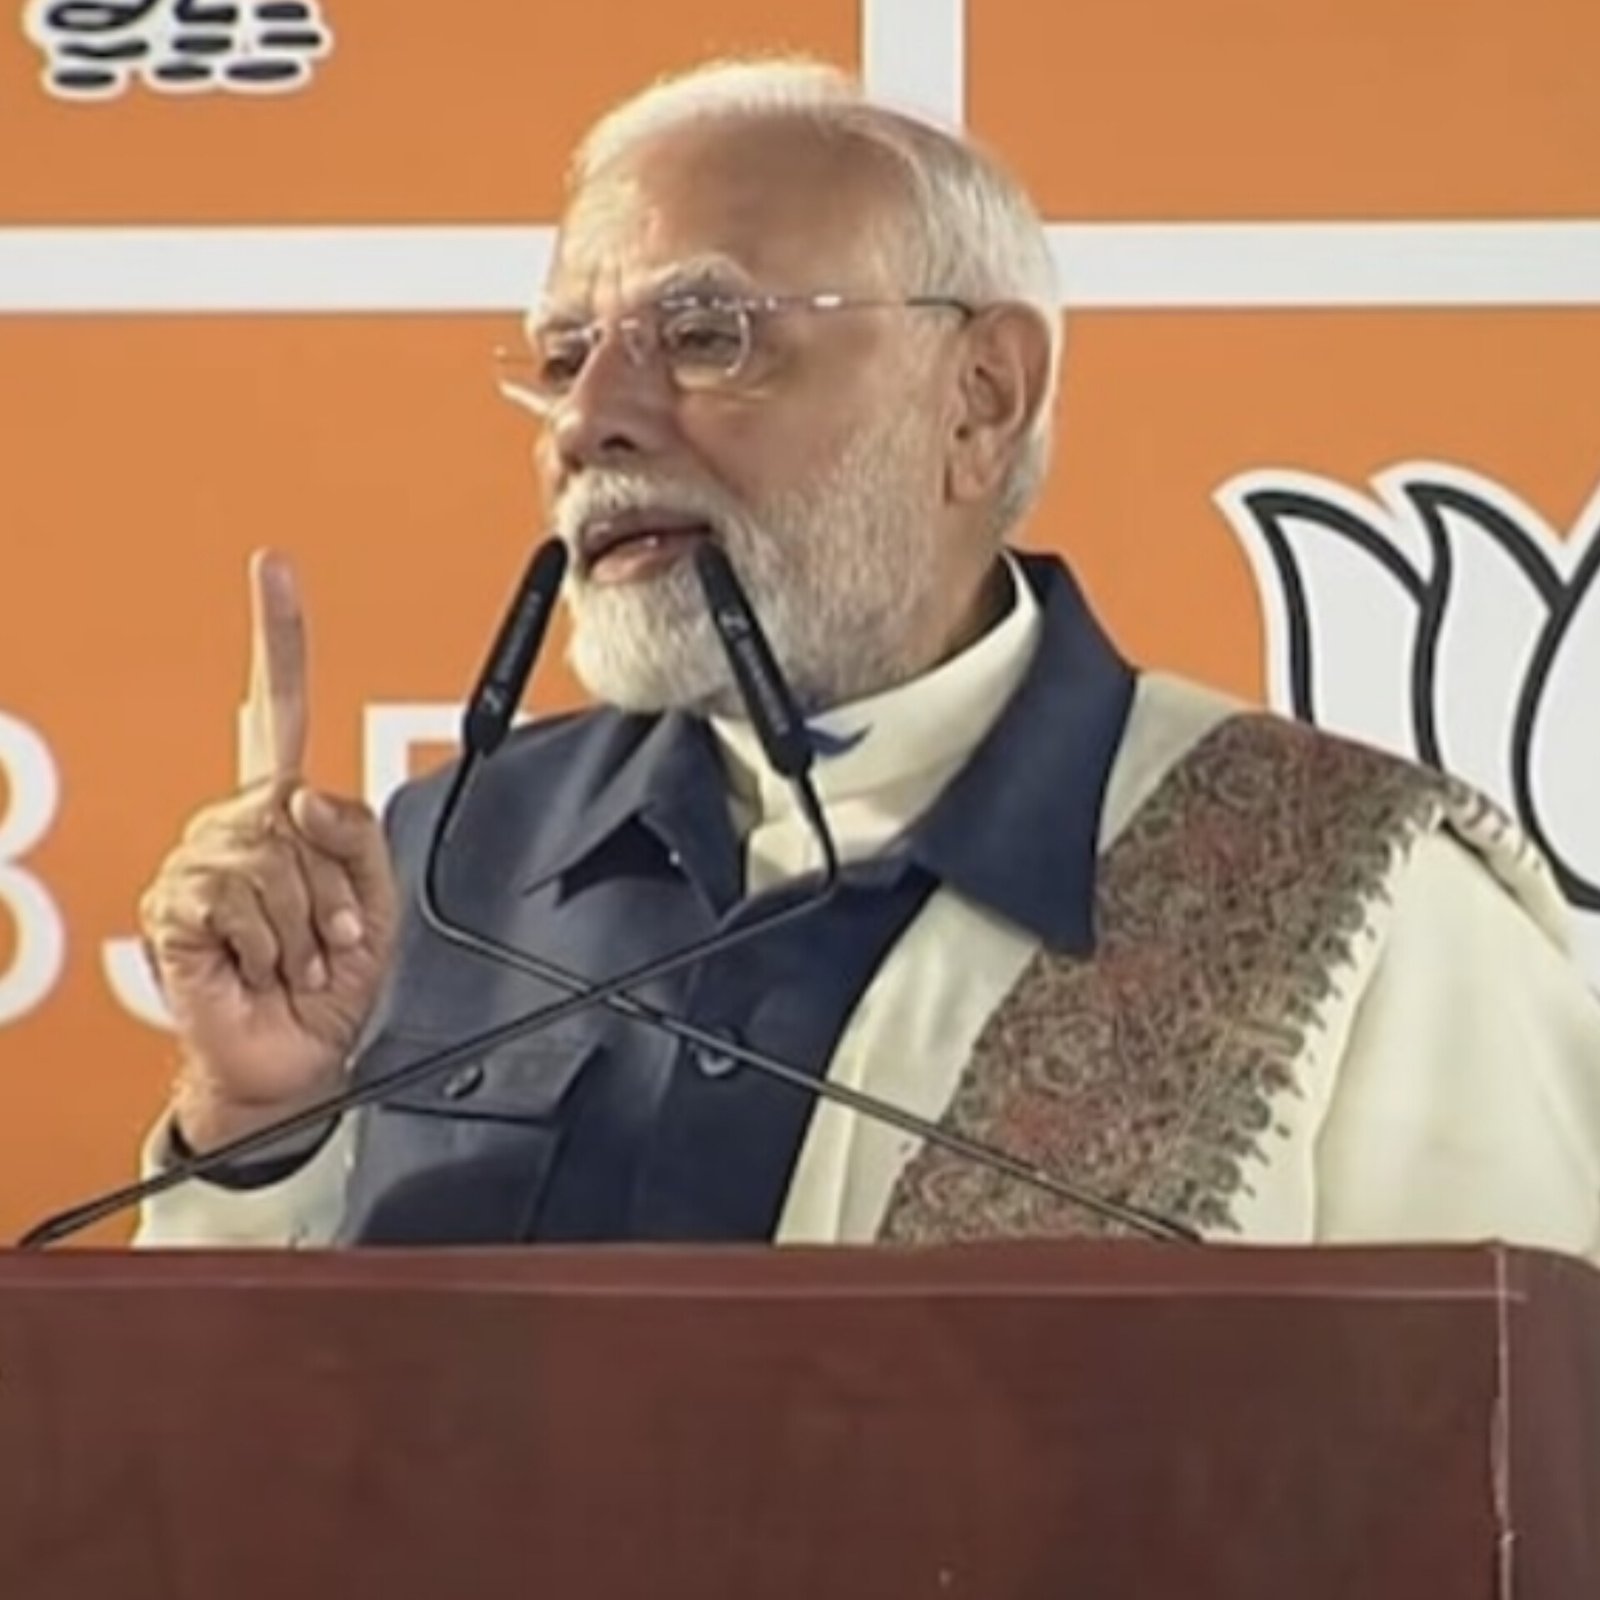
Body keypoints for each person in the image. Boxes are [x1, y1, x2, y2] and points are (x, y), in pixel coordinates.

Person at [133, 56, 1600, 1253]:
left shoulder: (1344, 892)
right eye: (568, 356)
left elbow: (1512, 1451)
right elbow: (259, 1441)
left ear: (980, 397)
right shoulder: (446, 858)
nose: (590, 422)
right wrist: (257, 1121)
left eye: (705, 334)